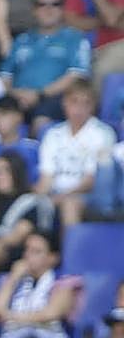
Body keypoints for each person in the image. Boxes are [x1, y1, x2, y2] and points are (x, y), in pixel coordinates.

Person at [0, 0, 92, 133]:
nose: (48, 9)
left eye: (55, 4)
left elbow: (77, 75)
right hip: (18, 99)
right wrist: (17, 94)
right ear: (34, 9)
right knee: (1, 113)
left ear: (62, 8)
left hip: (55, 99)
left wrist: (40, 94)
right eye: (42, 4)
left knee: (42, 117)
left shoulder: (75, 38)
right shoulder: (21, 40)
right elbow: (5, 75)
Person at [0, 231, 77, 338]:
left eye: (36, 252)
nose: (28, 256)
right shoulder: (10, 281)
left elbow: (50, 313)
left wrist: (10, 316)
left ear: (52, 258)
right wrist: (13, 278)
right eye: (26, 250)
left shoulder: (64, 281)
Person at [35, 78, 117, 227]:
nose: (79, 109)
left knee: (69, 204)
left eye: (86, 103)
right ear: (64, 102)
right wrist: (35, 198)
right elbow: (46, 178)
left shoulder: (103, 133)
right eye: (74, 101)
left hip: (88, 195)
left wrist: (60, 197)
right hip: (55, 192)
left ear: (93, 106)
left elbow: (90, 181)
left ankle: (71, 250)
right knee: (28, 204)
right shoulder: (53, 134)